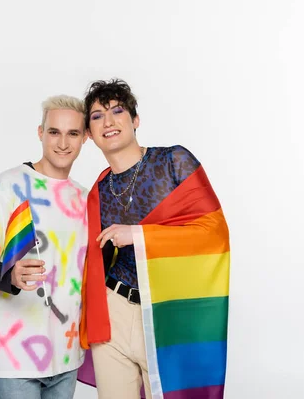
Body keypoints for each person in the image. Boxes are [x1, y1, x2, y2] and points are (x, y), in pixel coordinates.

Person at [78, 79, 231, 399]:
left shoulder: (174, 161)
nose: (108, 121)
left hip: (165, 313)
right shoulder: (98, 189)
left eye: (117, 110)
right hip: (112, 314)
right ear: (90, 136)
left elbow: (213, 233)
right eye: (97, 116)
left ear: (135, 120)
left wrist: (138, 235)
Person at [0, 95, 89, 399]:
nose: (62, 143)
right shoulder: (8, 184)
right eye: (54, 132)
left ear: (85, 137)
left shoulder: (86, 198)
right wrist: (10, 276)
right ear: (40, 133)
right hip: (14, 358)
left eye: (72, 133)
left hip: (67, 353)